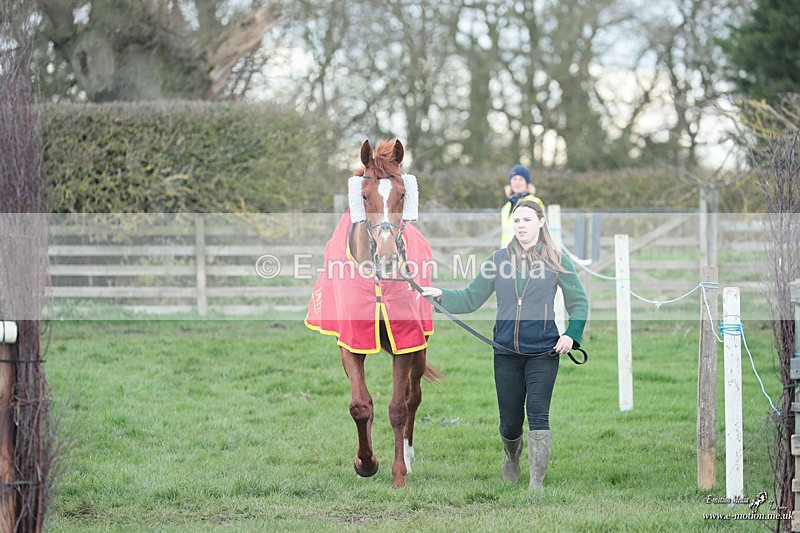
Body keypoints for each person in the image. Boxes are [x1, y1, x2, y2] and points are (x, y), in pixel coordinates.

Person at [421, 199, 588, 489]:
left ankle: (536, 483)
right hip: (506, 352)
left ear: (541, 222)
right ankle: (512, 456)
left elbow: (579, 302)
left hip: (544, 351)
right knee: (510, 421)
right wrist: (440, 294)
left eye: (527, 220)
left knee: (538, 412)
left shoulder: (557, 259)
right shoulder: (497, 260)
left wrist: (571, 334)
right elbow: (470, 299)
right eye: (517, 220)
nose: (521, 226)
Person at [501, 164, 545, 247]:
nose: (517, 182)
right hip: (508, 251)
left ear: (527, 183)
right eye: (514, 179)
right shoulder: (506, 207)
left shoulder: (533, 202)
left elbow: (540, 231)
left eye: (521, 179)